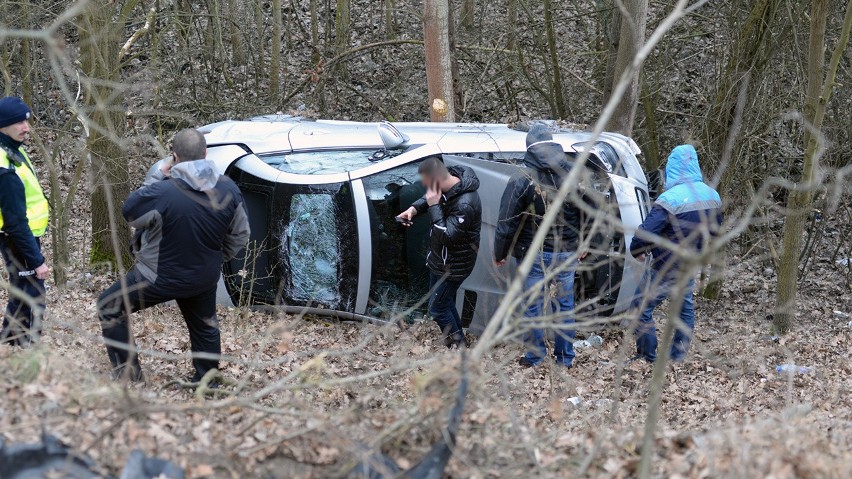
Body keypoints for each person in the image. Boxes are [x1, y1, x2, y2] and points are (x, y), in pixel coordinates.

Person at [97, 129, 250, 382]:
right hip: (202, 276)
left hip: (157, 278)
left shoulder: (162, 192)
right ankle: (208, 383)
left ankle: (128, 376)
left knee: (108, 305)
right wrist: (217, 258)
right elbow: (241, 234)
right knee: (204, 328)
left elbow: (131, 215)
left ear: (174, 157)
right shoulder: (229, 189)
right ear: (206, 154)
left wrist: (159, 175)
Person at [494, 126, 593, 369]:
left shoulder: (523, 178)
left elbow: (507, 221)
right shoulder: (575, 174)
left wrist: (500, 253)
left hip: (534, 255)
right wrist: (585, 241)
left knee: (534, 307)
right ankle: (564, 359)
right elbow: (593, 211)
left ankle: (535, 357)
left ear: (528, 148)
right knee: (565, 307)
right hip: (567, 252)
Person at [629, 144, 722, 363]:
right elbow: (715, 232)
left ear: (672, 168)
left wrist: (637, 251)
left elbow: (647, 232)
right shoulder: (712, 196)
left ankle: (646, 356)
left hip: (665, 266)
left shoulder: (669, 199)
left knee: (640, 308)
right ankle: (678, 356)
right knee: (684, 310)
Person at [397, 157, 482, 348]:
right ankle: (456, 340)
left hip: (454, 265)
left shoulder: (465, 203)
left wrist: (434, 205)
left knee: (438, 308)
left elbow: (448, 236)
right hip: (440, 259)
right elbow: (432, 196)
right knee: (445, 302)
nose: (428, 192)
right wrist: (414, 208)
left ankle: (459, 347)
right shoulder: (448, 183)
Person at [0, 97, 49, 346]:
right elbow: (15, 221)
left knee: (22, 294)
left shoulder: (11, 149)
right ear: (3, 125)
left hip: (22, 236)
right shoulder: (5, 166)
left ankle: (9, 347)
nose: (26, 127)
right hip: (18, 238)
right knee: (32, 295)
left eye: (26, 121)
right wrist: (37, 260)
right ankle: (27, 352)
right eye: (19, 122)